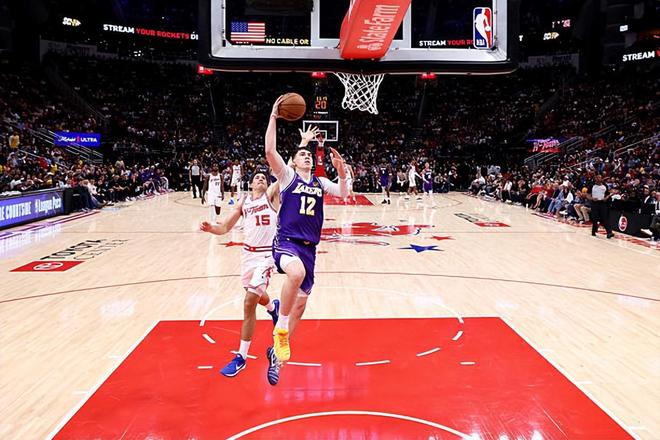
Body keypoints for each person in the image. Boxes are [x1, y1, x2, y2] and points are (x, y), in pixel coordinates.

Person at [264, 95, 348, 385]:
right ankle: (281, 326)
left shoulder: (320, 182)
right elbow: (270, 150)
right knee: (295, 274)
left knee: (300, 307)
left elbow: (344, 193)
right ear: (294, 161)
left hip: (310, 249)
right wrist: (274, 115)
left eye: (309, 155)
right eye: (302, 154)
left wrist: (342, 173)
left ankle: (276, 357)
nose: (307, 156)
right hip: (286, 242)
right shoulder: (287, 177)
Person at [199, 171, 281, 376]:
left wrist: (298, 152)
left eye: (264, 178)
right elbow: (225, 227)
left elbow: (283, 173)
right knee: (254, 294)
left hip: (266, 256)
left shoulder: (271, 196)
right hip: (248, 255)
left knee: (249, 301)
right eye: (257, 178)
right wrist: (211, 228)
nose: (261, 179)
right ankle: (273, 308)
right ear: (250, 184)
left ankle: (241, 357)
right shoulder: (244, 202)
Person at [588, 174, 614, 238]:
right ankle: (594, 231)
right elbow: (587, 195)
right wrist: (592, 198)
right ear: (595, 178)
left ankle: (609, 232)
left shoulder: (604, 186)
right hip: (594, 203)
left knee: (605, 217)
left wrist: (606, 198)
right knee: (595, 218)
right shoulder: (592, 185)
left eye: (600, 177)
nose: (598, 179)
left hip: (602, 203)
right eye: (597, 177)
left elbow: (607, 194)